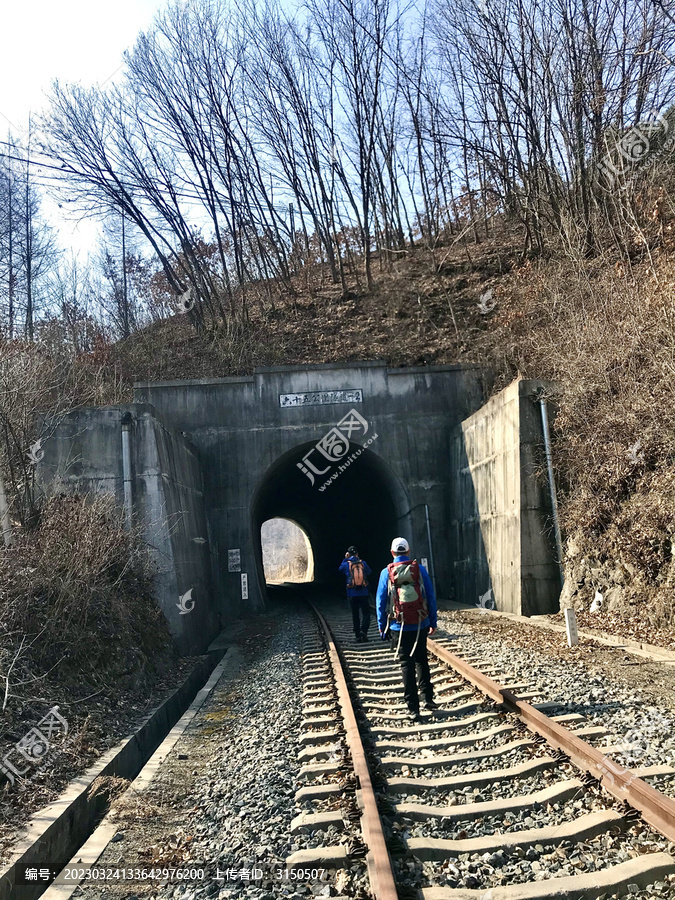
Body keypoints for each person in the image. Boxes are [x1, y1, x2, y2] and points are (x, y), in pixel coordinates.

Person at [376, 537, 438, 722]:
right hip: (420, 623)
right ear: (408, 552)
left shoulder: (386, 573)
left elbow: (380, 602)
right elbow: (431, 596)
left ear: (392, 553)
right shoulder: (420, 570)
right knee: (421, 661)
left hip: (398, 625)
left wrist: (382, 627)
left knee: (406, 665)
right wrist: (432, 621)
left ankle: (413, 709)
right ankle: (428, 699)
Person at [339, 546, 372, 642]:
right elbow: (369, 572)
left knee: (355, 614)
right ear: (357, 554)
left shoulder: (346, 565)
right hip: (363, 592)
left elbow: (340, 569)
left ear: (348, 554)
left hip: (352, 594)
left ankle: (358, 635)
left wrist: (345, 559)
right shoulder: (363, 563)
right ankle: (364, 631)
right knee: (366, 613)